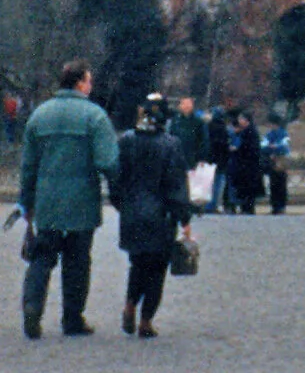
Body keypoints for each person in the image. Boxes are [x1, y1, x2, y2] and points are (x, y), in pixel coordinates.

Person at [18, 58, 120, 340]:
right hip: (81, 203)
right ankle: (72, 318)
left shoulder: (39, 115)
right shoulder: (95, 116)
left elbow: (28, 166)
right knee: (77, 262)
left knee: (41, 258)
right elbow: (108, 161)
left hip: (47, 202)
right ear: (80, 83)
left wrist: (26, 202)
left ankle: (32, 306)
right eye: (89, 81)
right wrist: (118, 191)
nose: (91, 86)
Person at [114, 94, 192, 339]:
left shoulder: (126, 140)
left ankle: (129, 304)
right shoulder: (171, 144)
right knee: (157, 269)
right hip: (161, 215)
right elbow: (176, 185)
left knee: (137, 264)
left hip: (132, 212)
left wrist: (122, 205)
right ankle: (146, 321)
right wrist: (184, 218)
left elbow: (116, 179)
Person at [228, 110, 264, 215]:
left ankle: (247, 208)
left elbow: (249, 147)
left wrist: (237, 149)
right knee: (245, 188)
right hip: (246, 164)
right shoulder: (245, 131)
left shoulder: (250, 132)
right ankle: (245, 207)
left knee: (248, 188)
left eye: (241, 119)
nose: (239, 121)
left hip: (248, 165)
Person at [168, 97, 207, 172]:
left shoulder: (198, 121)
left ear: (192, 106)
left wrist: (202, 157)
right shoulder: (175, 120)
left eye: (188, 104)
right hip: (175, 157)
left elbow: (203, 140)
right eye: (183, 104)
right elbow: (170, 136)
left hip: (191, 157)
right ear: (180, 106)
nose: (186, 106)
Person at [261, 118, 291, 214]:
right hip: (272, 161)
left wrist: (273, 148)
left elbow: (284, 146)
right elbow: (263, 146)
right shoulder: (269, 134)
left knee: (280, 184)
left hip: (280, 161)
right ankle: (275, 206)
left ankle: (280, 206)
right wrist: (272, 147)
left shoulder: (284, 134)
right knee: (273, 184)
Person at [206, 108, 231, 213]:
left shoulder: (207, 127)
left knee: (208, 183)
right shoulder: (224, 129)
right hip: (221, 160)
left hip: (210, 159)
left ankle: (207, 205)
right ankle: (214, 204)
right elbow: (226, 146)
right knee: (218, 184)